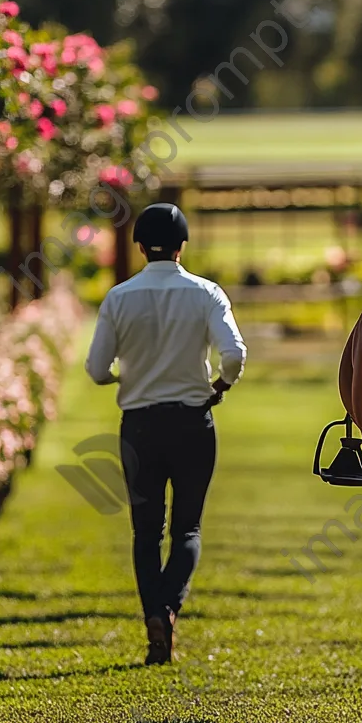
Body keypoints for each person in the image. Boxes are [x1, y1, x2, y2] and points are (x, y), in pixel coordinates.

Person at [85, 202, 247, 665]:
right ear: (182, 246)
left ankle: (153, 614)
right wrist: (220, 385)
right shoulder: (206, 292)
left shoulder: (119, 297)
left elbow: (97, 369)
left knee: (144, 532)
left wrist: (124, 378)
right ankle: (169, 607)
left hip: (139, 424)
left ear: (139, 246)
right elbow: (233, 355)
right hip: (193, 422)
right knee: (187, 528)